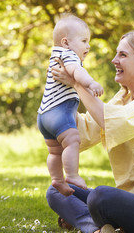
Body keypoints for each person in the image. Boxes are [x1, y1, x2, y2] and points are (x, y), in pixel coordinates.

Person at [46, 31, 134, 233]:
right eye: (116, 54)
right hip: (130, 204)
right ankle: (98, 230)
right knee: (57, 190)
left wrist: (78, 84)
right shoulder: (123, 98)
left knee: (101, 197)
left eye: (123, 55)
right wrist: (55, 102)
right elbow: (85, 131)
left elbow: (113, 121)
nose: (114, 60)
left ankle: (102, 224)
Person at [37, 14, 103, 197]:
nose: (87, 46)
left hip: (43, 115)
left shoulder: (55, 55)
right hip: (59, 111)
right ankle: (72, 175)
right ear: (66, 42)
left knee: (54, 152)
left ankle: (57, 180)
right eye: (83, 41)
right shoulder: (68, 55)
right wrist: (91, 83)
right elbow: (77, 72)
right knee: (73, 140)